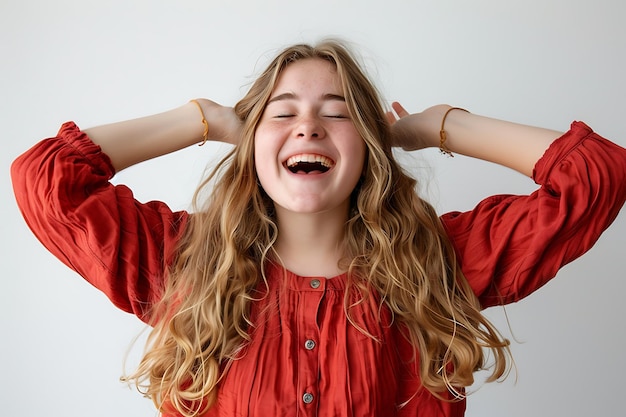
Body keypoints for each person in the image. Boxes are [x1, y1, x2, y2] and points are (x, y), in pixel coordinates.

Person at [10, 40, 626, 417]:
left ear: (369, 146)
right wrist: (198, 119)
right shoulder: (183, 261)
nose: (307, 128)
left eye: (337, 114)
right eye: (282, 115)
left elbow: (596, 176)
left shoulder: (439, 262)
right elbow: (46, 178)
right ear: (252, 143)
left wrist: (437, 126)